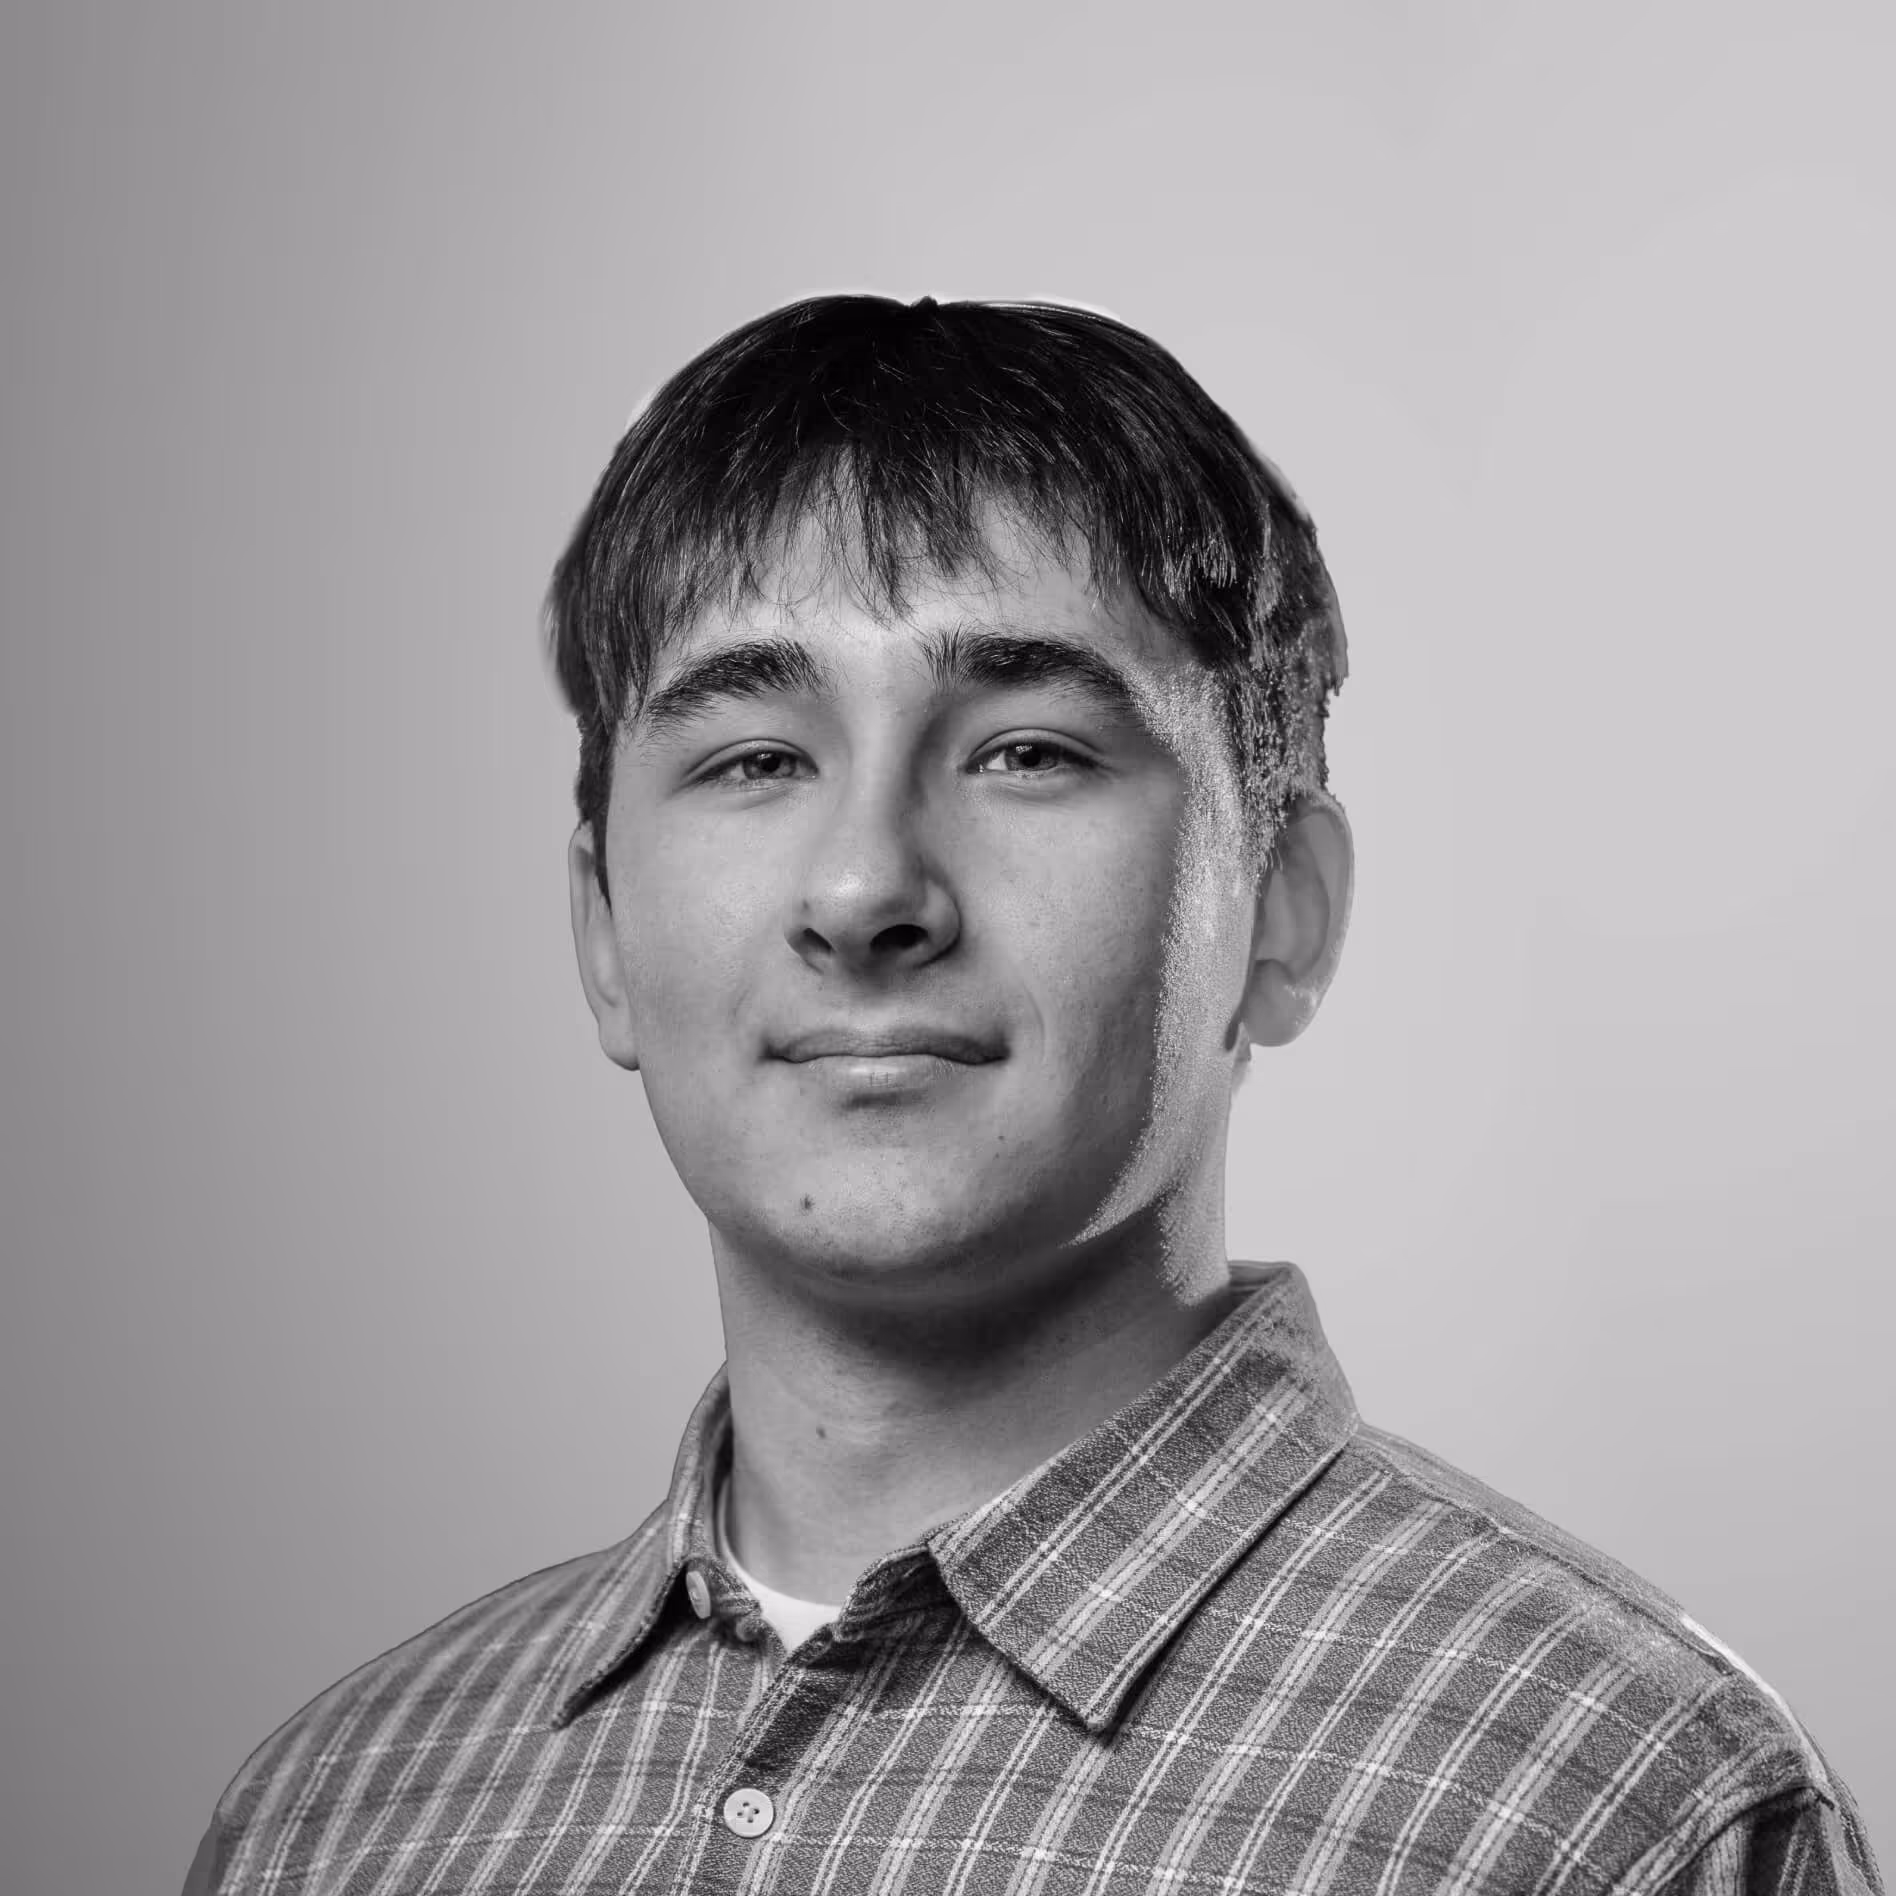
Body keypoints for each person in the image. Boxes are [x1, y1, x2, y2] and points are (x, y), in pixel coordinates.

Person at [181, 294, 1881, 1895]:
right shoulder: (333, 1820)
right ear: (603, 932)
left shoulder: (1615, 1809)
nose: (864, 891)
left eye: (1027, 753)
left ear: (1284, 910)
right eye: (754, 760)